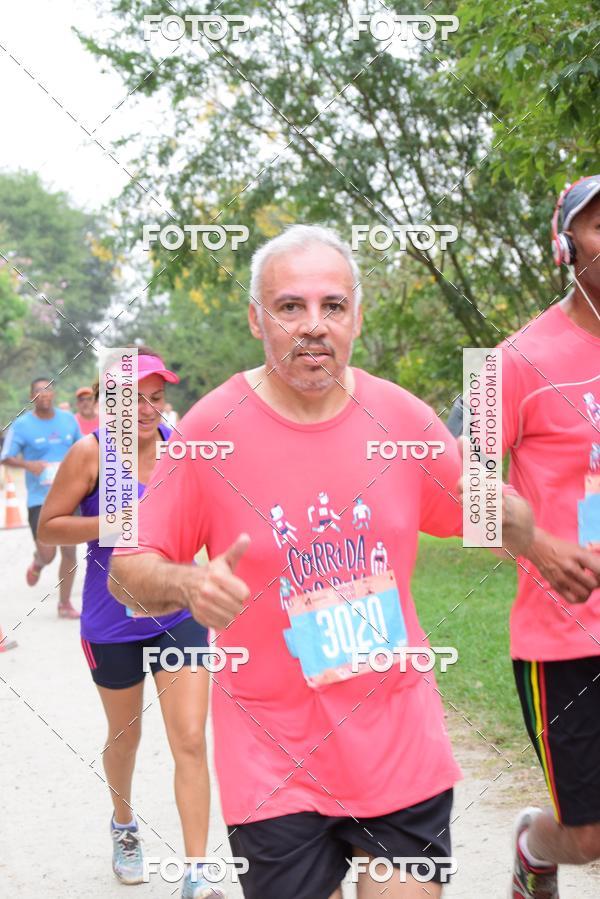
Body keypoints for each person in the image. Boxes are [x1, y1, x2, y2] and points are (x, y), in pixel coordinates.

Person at [109, 226, 534, 899]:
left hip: (400, 743)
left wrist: (528, 519)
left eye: (332, 306)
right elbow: (127, 568)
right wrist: (187, 583)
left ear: (356, 316)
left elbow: (488, 516)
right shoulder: (209, 430)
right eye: (290, 306)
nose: (314, 325)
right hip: (273, 758)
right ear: (256, 319)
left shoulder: (403, 418)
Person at [447, 175, 600, 898]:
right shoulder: (507, 360)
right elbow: (464, 486)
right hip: (566, 634)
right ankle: (534, 844)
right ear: (564, 244)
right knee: (589, 833)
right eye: (598, 224)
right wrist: (536, 542)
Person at [37, 348, 221, 899]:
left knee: (189, 739)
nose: (147, 409)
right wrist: (112, 519)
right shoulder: (90, 454)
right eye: (134, 398)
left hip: (178, 614)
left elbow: (209, 517)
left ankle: (196, 873)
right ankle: (123, 825)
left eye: (157, 397)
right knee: (126, 737)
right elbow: (50, 528)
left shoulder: (183, 450)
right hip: (110, 620)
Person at [1, 377, 81, 617]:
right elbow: (5, 456)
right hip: (40, 500)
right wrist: (29, 465)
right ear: (31, 397)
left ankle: (64, 604)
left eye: (48, 389)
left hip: (69, 498)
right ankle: (38, 562)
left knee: (69, 552)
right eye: (38, 391)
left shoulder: (68, 420)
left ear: (53, 393)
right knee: (49, 553)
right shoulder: (22, 425)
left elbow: (83, 450)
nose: (44, 394)